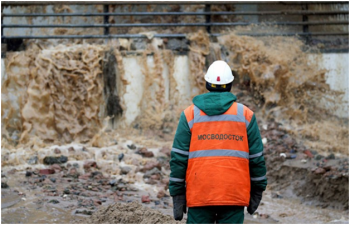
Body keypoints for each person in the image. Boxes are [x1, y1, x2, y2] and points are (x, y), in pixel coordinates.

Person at [169, 60, 267, 224]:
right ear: (230, 85)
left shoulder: (189, 114)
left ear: (207, 84)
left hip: (200, 193)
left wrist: (177, 192)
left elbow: (178, 158)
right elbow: (256, 158)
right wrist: (258, 188)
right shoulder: (246, 115)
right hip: (233, 193)